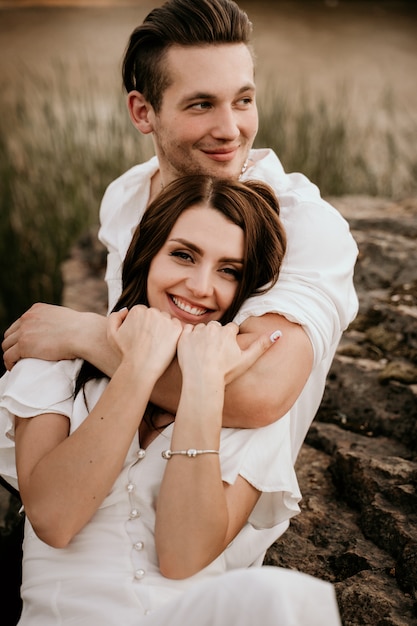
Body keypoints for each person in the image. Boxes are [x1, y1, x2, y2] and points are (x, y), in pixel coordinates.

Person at [1, 0, 358, 576]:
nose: (230, 128)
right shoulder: (125, 199)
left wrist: (88, 333)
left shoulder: (304, 226)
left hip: (214, 502)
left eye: (243, 99)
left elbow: (259, 391)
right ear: (143, 112)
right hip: (101, 477)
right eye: (201, 104)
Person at [0, 175, 341, 625]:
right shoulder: (54, 367)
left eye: (229, 271)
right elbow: (54, 519)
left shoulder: (249, 414)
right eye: (183, 255)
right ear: (147, 254)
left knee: (283, 597)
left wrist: (203, 384)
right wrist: (139, 364)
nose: (201, 286)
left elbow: (183, 557)